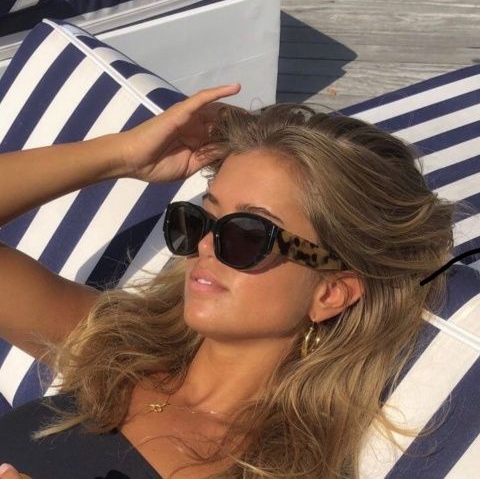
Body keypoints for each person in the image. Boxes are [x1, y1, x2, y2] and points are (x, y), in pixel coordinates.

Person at [0, 83, 467, 479]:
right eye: (200, 220)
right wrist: (119, 155)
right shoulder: (112, 350)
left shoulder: (268, 468)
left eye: (247, 235)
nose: (204, 246)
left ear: (331, 292)